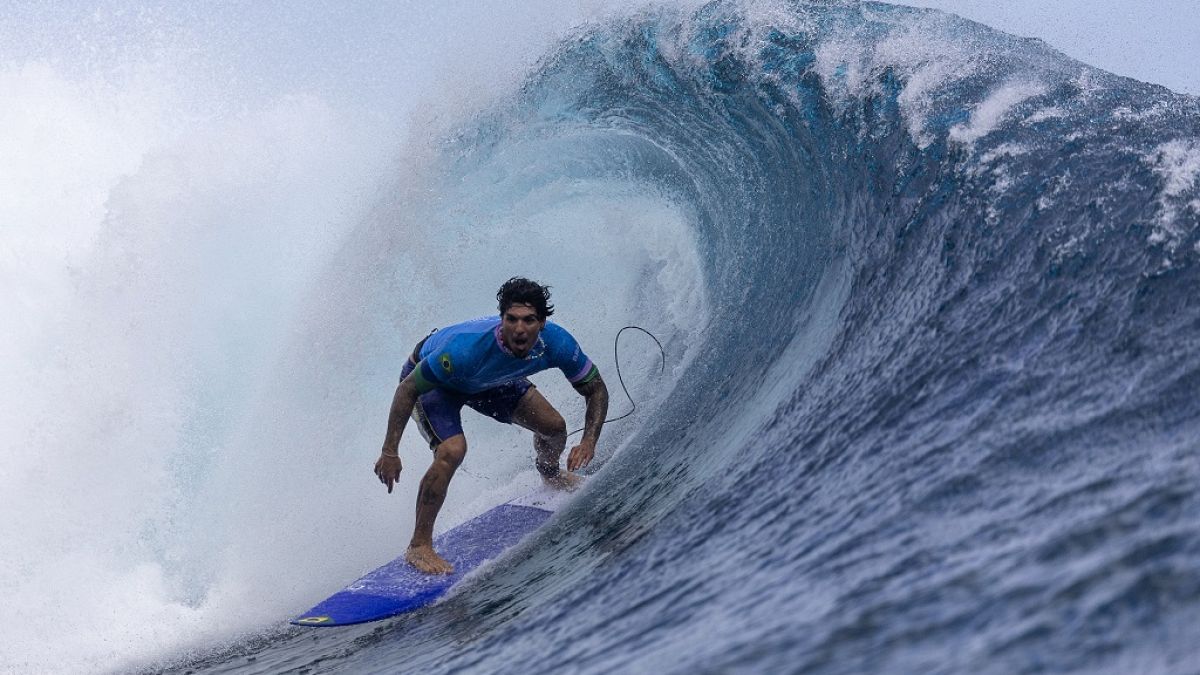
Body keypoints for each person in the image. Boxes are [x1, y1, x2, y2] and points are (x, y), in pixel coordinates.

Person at [373, 277, 609, 574]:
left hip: (488, 381)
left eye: (528, 320)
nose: (519, 329)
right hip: (434, 384)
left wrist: (588, 441)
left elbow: (596, 389)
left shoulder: (558, 343)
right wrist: (389, 451)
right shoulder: (464, 350)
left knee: (554, 427)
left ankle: (550, 475)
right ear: (501, 319)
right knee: (452, 450)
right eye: (511, 319)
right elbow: (407, 389)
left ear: (543, 323)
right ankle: (419, 546)